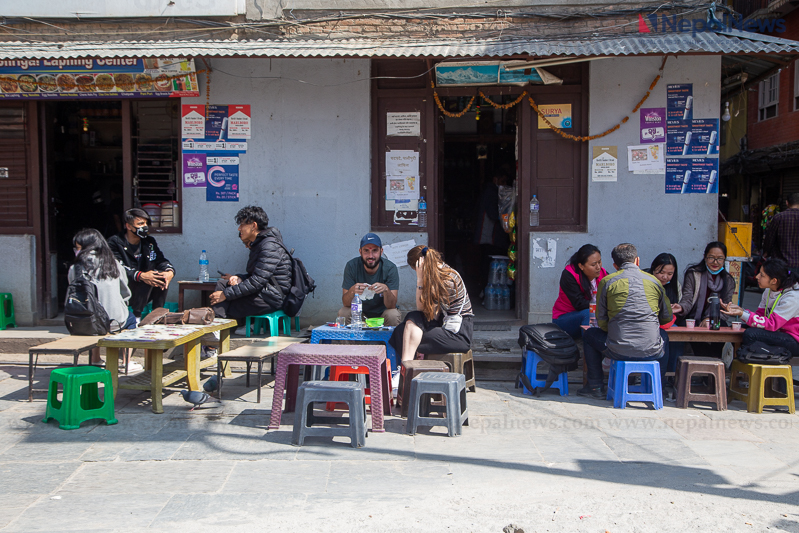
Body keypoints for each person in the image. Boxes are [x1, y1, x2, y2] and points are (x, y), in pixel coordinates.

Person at [577, 243, 673, 399]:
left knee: (589, 335)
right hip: (651, 350)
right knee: (663, 335)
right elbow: (666, 317)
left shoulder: (607, 281)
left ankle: (595, 387)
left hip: (617, 350)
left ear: (615, 265)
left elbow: (601, 322)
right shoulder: (654, 282)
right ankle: (659, 388)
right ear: (637, 261)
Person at [388, 245, 474, 363]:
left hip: (457, 334)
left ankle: (407, 369)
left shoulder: (447, 279)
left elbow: (427, 312)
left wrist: (419, 279)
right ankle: (408, 367)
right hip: (444, 324)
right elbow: (422, 313)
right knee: (404, 328)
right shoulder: (438, 274)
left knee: (405, 335)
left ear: (418, 266)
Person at [69, 229, 139, 371]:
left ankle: (95, 359)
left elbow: (74, 291)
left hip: (84, 323)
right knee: (131, 320)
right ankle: (126, 362)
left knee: (92, 316)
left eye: (78, 248)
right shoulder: (114, 264)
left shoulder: (74, 268)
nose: (77, 251)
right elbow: (125, 292)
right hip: (114, 322)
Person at [209, 206, 292, 323]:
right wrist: (239, 278)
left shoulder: (269, 247)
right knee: (223, 284)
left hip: (272, 298)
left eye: (242, 225)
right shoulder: (259, 245)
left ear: (254, 226)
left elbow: (257, 282)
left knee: (225, 301)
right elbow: (257, 276)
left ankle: (218, 329)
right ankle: (218, 329)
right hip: (263, 292)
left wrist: (226, 295)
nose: (239, 229)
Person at [721, 258, 799, 359]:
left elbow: (772, 324)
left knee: (751, 334)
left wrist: (741, 314)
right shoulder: (768, 290)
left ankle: (751, 361)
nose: (757, 277)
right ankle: (741, 365)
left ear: (774, 281)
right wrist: (741, 310)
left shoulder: (792, 297)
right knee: (736, 330)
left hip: (793, 340)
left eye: (762, 275)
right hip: (777, 333)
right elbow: (760, 317)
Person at [108, 208, 175, 318]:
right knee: (145, 276)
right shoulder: (114, 243)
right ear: (129, 226)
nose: (144, 227)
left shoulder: (149, 242)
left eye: (146, 223)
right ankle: (136, 317)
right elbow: (116, 268)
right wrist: (141, 275)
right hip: (124, 288)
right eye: (140, 224)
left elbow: (160, 260)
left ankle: (158, 314)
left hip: (144, 290)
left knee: (160, 276)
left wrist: (169, 271)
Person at [672, 241, 736, 357]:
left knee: (720, 330)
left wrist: (710, 319)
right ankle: (704, 368)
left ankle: (714, 369)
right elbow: (687, 299)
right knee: (698, 342)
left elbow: (726, 309)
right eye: (711, 258)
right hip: (693, 317)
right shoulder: (693, 274)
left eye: (720, 259)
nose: (715, 262)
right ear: (705, 257)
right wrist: (681, 307)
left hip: (715, 318)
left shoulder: (728, 280)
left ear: (724, 259)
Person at [338, 233, 401, 327]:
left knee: (393, 314)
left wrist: (386, 290)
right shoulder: (352, 266)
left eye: (375, 250)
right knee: (344, 312)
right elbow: (346, 303)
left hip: (382, 316)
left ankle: (387, 342)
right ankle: (352, 342)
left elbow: (391, 306)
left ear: (381, 251)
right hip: (360, 314)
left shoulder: (390, 268)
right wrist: (352, 291)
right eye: (366, 251)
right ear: (360, 252)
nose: (370, 256)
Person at [552, 244, 608, 338]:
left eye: (600, 262)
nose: (598, 267)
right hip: (565, 319)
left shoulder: (603, 274)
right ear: (581, 266)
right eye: (593, 264)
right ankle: (589, 348)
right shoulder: (569, 275)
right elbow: (579, 304)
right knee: (588, 313)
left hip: (595, 316)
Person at [763, 192, 799, 269]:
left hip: (781, 264)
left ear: (787, 203)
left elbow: (770, 238)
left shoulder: (779, 217)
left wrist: (766, 252)